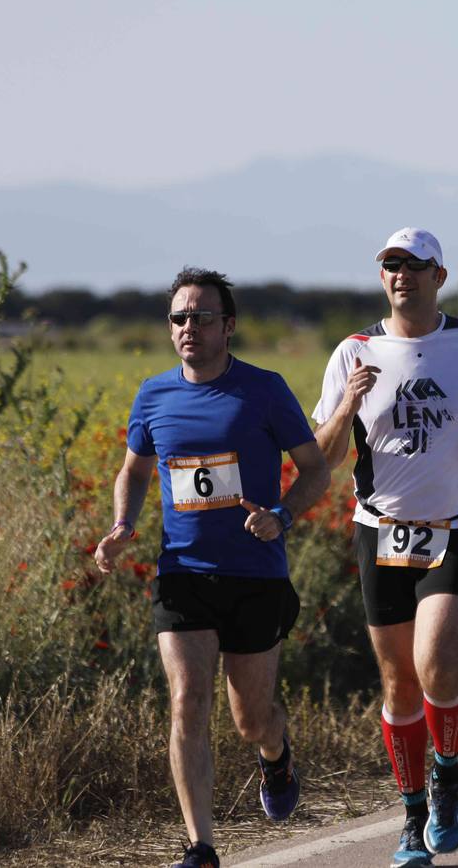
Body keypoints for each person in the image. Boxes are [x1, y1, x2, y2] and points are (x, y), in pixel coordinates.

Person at [94, 268, 330, 868]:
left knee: (251, 720)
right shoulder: (153, 395)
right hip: (184, 574)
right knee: (186, 701)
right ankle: (200, 846)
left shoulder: (265, 390)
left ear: (229, 325)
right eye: (179, 318)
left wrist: (281, 515)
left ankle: (276, 757)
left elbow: (316, 469)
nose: (188, 328)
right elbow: (135, 470)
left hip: (256, 575)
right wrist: (123, 524)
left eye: (201, 317)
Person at [312, 228, 458, 868]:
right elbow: (319, 458)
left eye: (414, 266)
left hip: (457, 525)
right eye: (390, 265)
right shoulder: (352, 351)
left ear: (440, 275)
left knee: (437, 663)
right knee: (399, 682)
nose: (400, 275)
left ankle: (448, 773)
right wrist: (348, 402)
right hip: (380, 530)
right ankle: (411, 815)